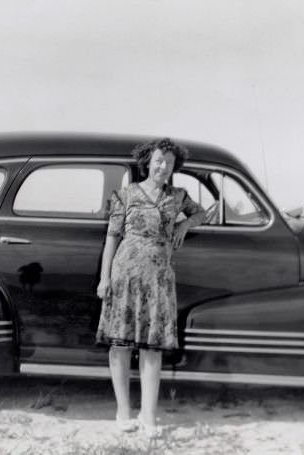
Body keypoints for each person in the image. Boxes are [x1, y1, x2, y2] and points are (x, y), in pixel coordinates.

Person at [96, 138, 206, 436]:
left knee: (152, 348)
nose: (163, 166)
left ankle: (149, 416)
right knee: (120, 345)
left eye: (169, 163)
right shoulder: (126, 195)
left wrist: (184, 225)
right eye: (159, 160)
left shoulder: (179, 196)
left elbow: (202, 213)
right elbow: (111, 238)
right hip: (125, 277)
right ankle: (122, 412)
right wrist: (104, 279)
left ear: (174, 167)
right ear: (148, 162)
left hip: (158, 280)